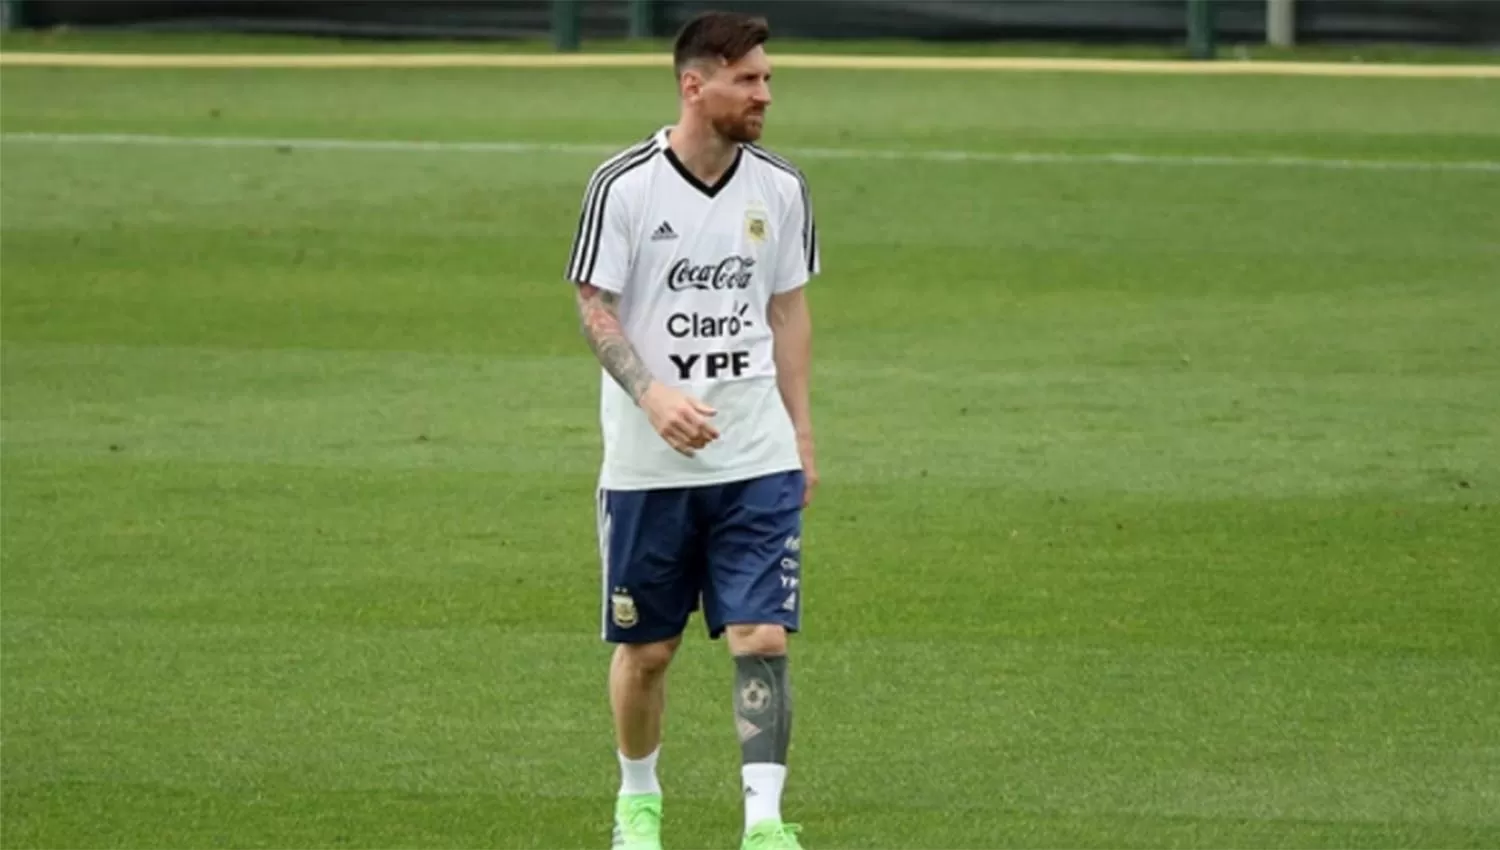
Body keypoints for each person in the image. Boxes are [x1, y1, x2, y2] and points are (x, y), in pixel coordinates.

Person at [563, 10, 820, 850]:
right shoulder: (625, 186)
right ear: (694, 84)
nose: (765, 94)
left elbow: (787, 308)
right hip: (649, 465)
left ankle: (765, 823)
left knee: (762, 635)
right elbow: (593, 305)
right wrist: (651, 397)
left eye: (768, 78)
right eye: (749, 79)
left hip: (755, 454)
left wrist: (802, 437)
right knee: (651, 652)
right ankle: (638, 800)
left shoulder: (779, 187)